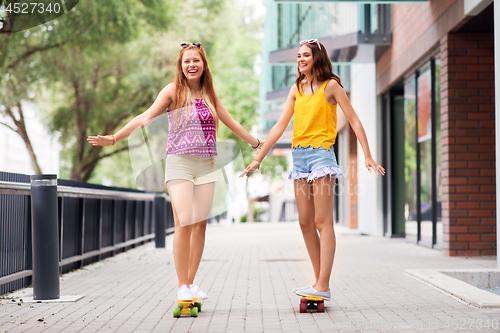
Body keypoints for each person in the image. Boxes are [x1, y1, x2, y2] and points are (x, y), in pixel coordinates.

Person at [88, 42, 262, 302]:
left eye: (196, 61)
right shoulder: (173, 92)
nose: (192, 65)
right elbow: (144, 117)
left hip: (207, 164)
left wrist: (258, 144)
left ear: (204, 65)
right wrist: (115, 138)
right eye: (186, 61)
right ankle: (181, 285)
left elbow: (231, 122)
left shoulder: (210, 95)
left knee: (200, 225)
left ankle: (191, 284)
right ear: (181, 67)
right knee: (184, 221)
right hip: (179, 163)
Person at [240, 39, 385, 301]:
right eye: (298, 56)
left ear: (317, 57)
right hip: (299, 158)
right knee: (305, 222)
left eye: (305, 55)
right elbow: (279, 127)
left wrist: (367, 155)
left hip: (322, 157)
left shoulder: (331, 86)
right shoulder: (296, 89)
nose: (300, 59)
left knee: (322, 222)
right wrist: (259, 158)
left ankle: (323, 284)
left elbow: (353, 118)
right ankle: (321, 284)